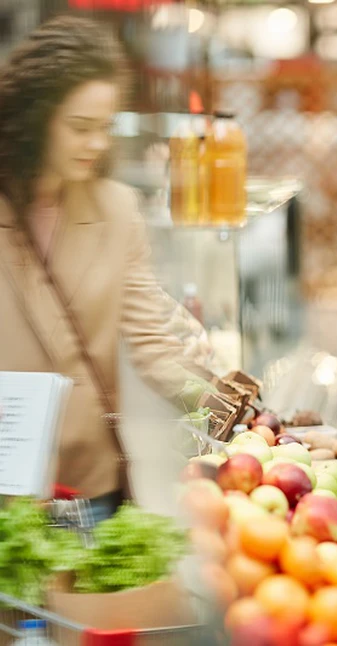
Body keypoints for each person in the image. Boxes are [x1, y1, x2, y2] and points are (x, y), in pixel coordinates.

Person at [0, 17, 210, 523]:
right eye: (79, 127)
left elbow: (153, 343)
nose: (95, 144)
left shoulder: (116, 209)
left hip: (86, 488)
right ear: (36, 117)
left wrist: (230, 407)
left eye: (104, 128)